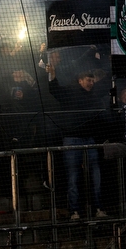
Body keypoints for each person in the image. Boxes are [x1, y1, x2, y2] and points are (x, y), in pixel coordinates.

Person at [46, 54, 110, 220]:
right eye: (89, 80)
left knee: (96, 176)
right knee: (73, 176)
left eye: (92, 80)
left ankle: (98, 208)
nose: (91, 83)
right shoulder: (70, 91)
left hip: (90, 139)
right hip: (72, 139)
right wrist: (52, 74)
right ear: (81, 80)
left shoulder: (95, 94)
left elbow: (106, 84)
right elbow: (54, 90)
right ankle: (75, 211)